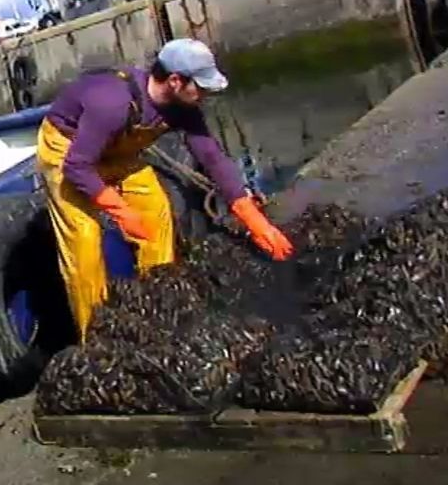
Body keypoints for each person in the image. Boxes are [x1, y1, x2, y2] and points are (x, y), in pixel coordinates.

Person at [36, 38, 293, 343]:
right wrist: (119, 209)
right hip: (68, 150)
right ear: (175, 81)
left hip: (117, 153)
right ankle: (97, 338)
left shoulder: (182, 107)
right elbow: (77, 166)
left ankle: (156, 305)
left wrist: (253, 219)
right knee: (84, 241)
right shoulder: (112, 103)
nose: (206, 95)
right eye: (201, 87)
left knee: (157, 214)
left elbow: (211, 156)